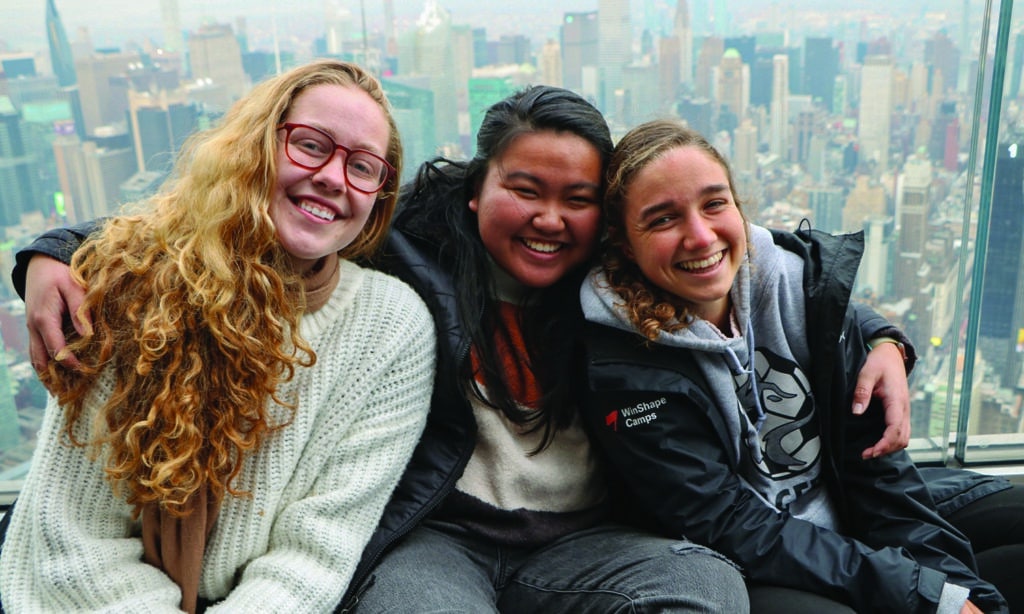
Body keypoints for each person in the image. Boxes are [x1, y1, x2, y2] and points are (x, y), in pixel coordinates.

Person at [11, 88, 916, 613]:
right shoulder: (408, 241)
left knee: (702, 594)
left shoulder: (617, 267)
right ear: (480, 186)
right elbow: (249, 216)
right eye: (525, 188)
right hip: (440, 534)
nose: (551, 219)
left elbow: (763, 266)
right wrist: (60, 251)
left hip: (595, 534)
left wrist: (878, 332)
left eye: (579, 198)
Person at [0, 59, 436, 613]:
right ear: (255, 146)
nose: (333, 176)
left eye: (364, 166)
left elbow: (316, 552)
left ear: (380, 197)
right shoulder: (128, 286)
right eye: (309, 144)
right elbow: (76, 538)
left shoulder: (392, 328)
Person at [577, 119, 1023, 613]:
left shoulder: (802, 291)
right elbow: (730, 524)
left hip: (846, 511)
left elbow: (878, 472)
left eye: (714, 203)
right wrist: (923, 596)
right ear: (623, 242)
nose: (700, 237)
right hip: (751, 562)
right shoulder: (624, 370)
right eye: (662, 219)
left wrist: (957, 597)